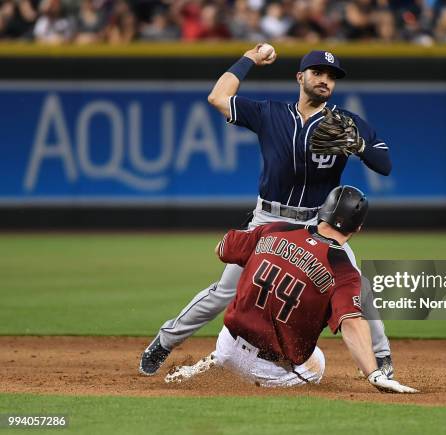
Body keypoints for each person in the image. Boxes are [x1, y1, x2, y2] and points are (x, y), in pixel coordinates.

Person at [139, 44, 394, 379]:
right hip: (270, 220)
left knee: (357, 284)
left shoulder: (346, 123)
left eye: (331, 77)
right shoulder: (270, 113)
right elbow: (218, 97)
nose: (325, 81)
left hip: (318, 224)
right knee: (224, 291)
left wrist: (359, 146)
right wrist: (249, 59)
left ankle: (382, 357)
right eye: (317, 73)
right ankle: (164, 341)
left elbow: (385, 164)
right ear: (300, 77)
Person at [165, 186, 417, 393]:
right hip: (268, 369)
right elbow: (352, 322)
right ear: (358, 228)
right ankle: (255, 387)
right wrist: (373, 373)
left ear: (323, 211)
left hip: (227, 343)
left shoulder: (275, 228)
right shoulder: (343, 270)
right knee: (318, 361)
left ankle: (218, 362)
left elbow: (222, 248)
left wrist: (249, 234)